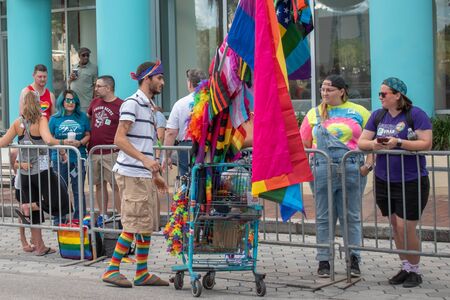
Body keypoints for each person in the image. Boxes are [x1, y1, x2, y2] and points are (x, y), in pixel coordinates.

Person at [358, 77, 432, 288]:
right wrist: (375, 144)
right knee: (395, 226)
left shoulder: (415, 114)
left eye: (384, 94)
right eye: (379, 94)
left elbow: (426, 143)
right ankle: (406, 266)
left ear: (397, 95)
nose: (380, 97)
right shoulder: (378, 115)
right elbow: (362, 142)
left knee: (405, 226)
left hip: (411, 179)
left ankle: (415, 270)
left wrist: (398, 142)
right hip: (384, 179)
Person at [102, 60, 169, 288]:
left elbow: (145, 145)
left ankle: (141, 272)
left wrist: (154, 173)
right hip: (131, 173)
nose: (163, 82)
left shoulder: (148, 106)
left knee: (145, 223)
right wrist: (145, 161)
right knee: (132, 223)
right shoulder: (132, 103)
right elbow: (119, 139)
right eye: (159, 77)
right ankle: (112, 269)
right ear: (147, 78)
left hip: (142, 174)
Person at [300, 75, 372, 278]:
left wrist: (367, 165)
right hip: (321, 169)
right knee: (323, 216)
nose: (324, 93)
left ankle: (354, 259)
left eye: (329, 90)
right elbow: (303, 142)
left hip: (352, 168)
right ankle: (324, 260)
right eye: (322, 89)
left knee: (351, 216)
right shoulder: (313, 114)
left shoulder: (359, 112)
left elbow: (372, 140)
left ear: (342, 91)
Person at [0, 91, 69, 256]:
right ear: (38, 104)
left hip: (25, 173)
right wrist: (63, 143)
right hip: (41, 170)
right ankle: (31, 206)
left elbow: (3, 142)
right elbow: (48, 140)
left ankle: (39, 247)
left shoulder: (18, 123)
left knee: (34, 213)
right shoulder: (41, 120)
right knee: (61, 201)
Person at [49, 90, 91, 221]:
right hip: (59, 160)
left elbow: (88, 135)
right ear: (62, 102)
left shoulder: (82, 117)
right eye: (68, 100)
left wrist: (80, 142)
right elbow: (49, 138)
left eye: (73, 100)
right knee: (60, 190)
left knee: (78, 191)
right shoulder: (54, 118)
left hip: (78, 159)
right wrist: (61, 144)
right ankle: (59, 220)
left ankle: (79, 220)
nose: (70, 103)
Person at [87, 76, 123, 224]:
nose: (96, 89)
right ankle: (103, 214)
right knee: (98, 184)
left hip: (111, 152)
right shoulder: (95, 103)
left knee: (115, 185)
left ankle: (121, 216)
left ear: (108, 88)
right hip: (94, 151)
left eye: (99, 86)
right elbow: (89, 119)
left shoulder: (121, 105)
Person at [163, 68, 207, 176]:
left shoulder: (180, 104)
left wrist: (166, 156)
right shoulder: (211, 101)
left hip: (186, 147)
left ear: (190, 84)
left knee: (187, 181)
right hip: (208, 146)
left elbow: (170, 133)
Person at [69, 47, 98, 112]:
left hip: (86, 102)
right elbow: (69, 83)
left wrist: (94, 100)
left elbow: (95, 85)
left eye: (87, 55)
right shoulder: (75, 66)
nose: (86, 57)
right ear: (79, 56)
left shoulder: (93, 68)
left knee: (85, 121)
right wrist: (71, 79)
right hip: (73, 101)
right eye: (83, 55)